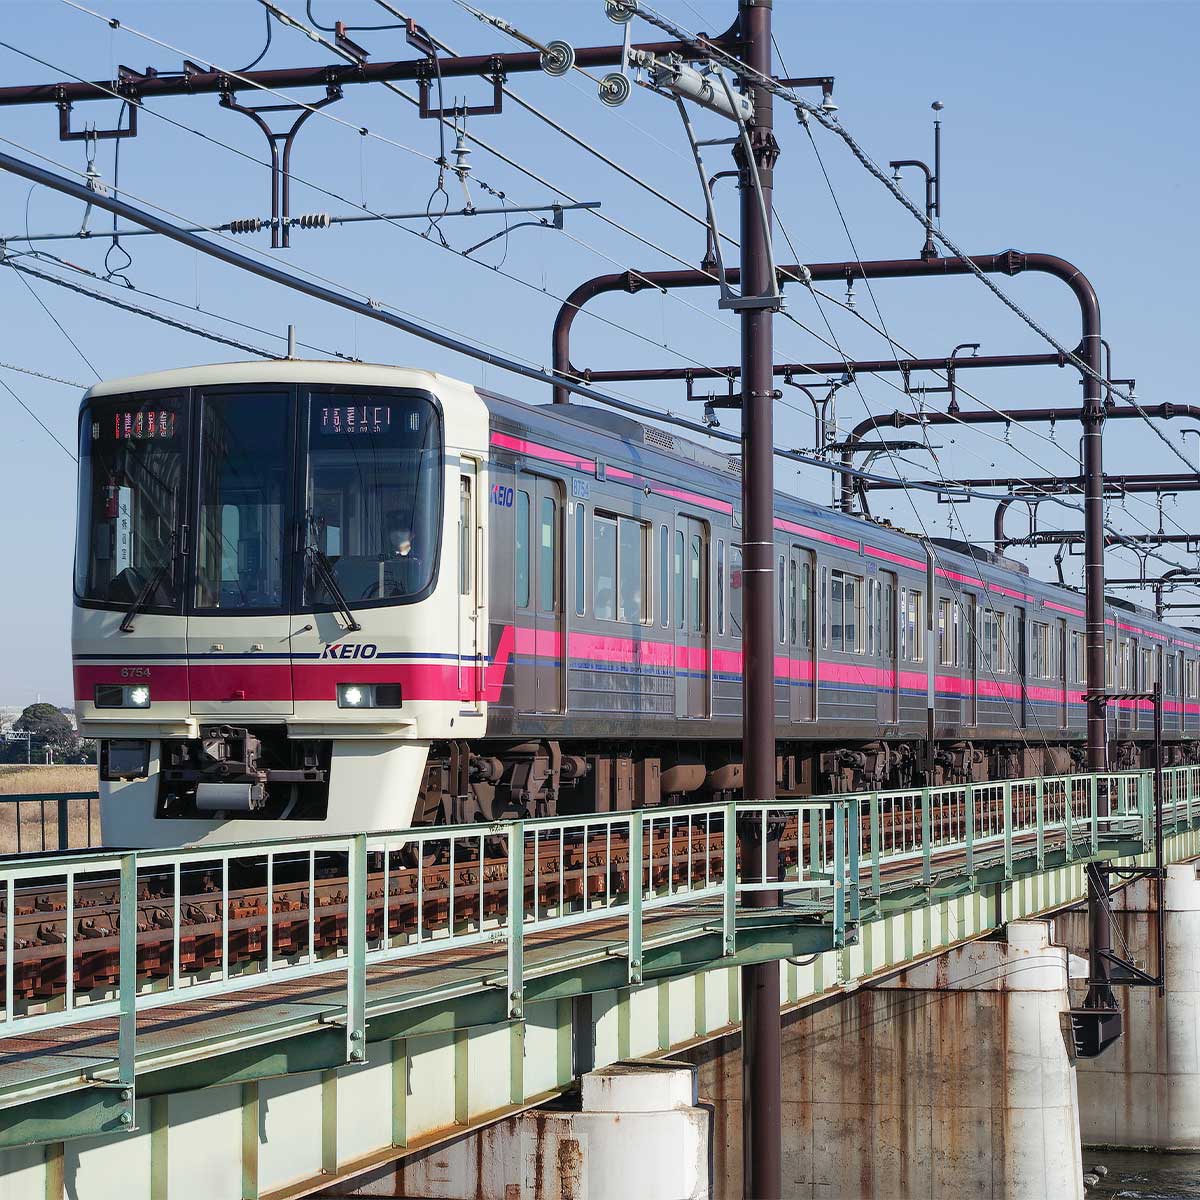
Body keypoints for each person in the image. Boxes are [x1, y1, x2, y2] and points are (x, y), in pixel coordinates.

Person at [382, 510, 422, 595]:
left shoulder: (419, 561)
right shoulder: (384, 559)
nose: (397, 534)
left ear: (412, 534)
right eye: (393, 530)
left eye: (403, 530)